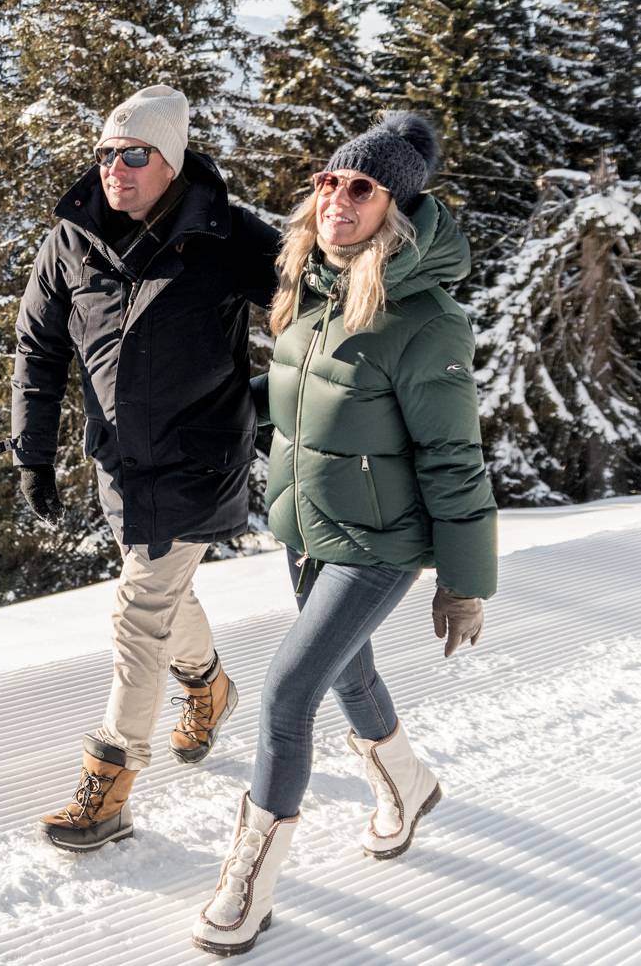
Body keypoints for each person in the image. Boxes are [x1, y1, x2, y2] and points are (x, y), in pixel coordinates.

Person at [192, 112, 498, 957]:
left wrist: (465, 578)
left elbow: (453, 456)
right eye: (328, 181)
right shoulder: (316, 288)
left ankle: (249, 879)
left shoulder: (425, 320)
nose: (336, 197)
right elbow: (301, 401)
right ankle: (407, 785)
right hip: (306, 523)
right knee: (345, 669)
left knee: (288, 692)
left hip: (381, 541)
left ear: (394, 207)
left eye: (360, 186)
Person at [11, 85, 280, 853]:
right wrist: (32, 452)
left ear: (171, 162)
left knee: (138, 613)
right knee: (162, 587)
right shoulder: (70, 241)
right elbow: (39, 348)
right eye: (105, 153)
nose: (115, 168)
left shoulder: (225, 235)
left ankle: (111, 780)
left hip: (199, 460)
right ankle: (209, 685)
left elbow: (310, 304)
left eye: (135, 155)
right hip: (124, 466)